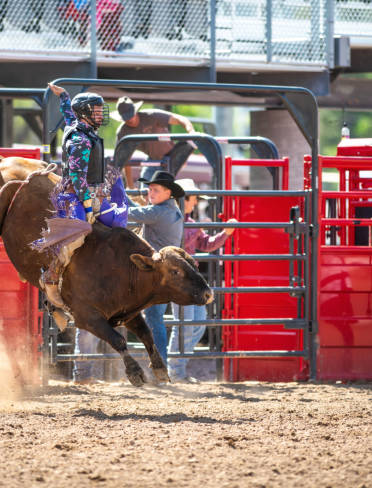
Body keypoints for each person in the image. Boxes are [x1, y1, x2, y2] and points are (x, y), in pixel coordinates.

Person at [45, 82, 127, 384]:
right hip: (75, 196)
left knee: (115, 225)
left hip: (88, 192)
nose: (99, 113)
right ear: (85, 113)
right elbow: (78, 177)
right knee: (78, 235)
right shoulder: (80, 139)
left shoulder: (78, 127)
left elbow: (68, 115)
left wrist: (64, 97)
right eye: (94, 109)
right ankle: (53, 280)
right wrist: (90, 203)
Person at [167, 178, 237, 382]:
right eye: (194, 198)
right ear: (185, 199)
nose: (196, 202)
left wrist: (225, 233)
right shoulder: (175, 220)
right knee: (186, 323)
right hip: (178, 280)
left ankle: (177, 367)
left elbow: (206, 244)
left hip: (189, 280)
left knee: (197, 323)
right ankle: (175, 371)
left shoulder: (188, 222)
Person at [126, 171, 185, 366]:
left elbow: (133, 213)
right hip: (164, 274)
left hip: (157, 275)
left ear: (168, 192)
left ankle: (160, 362)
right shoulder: (169, 211)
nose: (151, 193)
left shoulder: (160, 212)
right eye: (150, 189)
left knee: (153, 317)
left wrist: (116, 199)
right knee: (154, 317)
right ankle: (160, 363)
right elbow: (141, 212)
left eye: (156, 190)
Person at [111, 96, 216, 184]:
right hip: (153, 160)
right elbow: (124, 159)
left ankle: (185, 151)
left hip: (172, 155)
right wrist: (130, 184)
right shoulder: (123, 132)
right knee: (145, 184)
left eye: (131, 115)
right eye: (126, 118)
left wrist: (191, 132)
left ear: (135, 111)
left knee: (164, 185)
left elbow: (180, 119)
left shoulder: (151, 116)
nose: (130, 119)